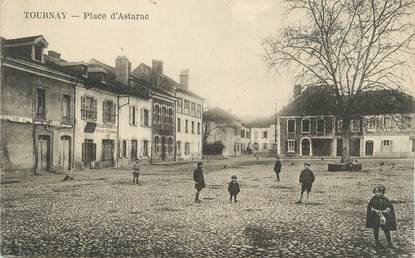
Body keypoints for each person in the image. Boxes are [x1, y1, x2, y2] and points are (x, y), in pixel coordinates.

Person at [366, 185, 397, 249]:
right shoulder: (373, 200)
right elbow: (370, 207)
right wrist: (374, 210)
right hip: (375, 217)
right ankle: (377, 242)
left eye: (380, 192)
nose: (378, 193)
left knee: (386, 229)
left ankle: (389, 243)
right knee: (376, 229)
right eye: (376, 192)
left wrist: (387, 210)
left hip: (384, 217)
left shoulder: (385, 199)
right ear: (374, 192)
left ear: (382, 192)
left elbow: (389, 207)